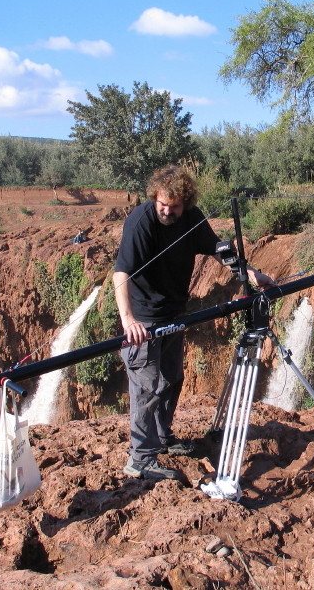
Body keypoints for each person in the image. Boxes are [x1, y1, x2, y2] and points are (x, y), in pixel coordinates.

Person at [113, 165, 273, 481]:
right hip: (144, 319)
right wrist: (128, 320)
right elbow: (122, 272)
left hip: (174, 313)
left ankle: (163, 438)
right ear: (154, 197)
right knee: (147, 386)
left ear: (185, 202)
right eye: (162, 204)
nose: (167, 211)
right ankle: (140, 459)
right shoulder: (140, 222)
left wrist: (250, 273)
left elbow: (218, 250)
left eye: (174, 206)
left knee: (172, 378)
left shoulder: (191, 216)